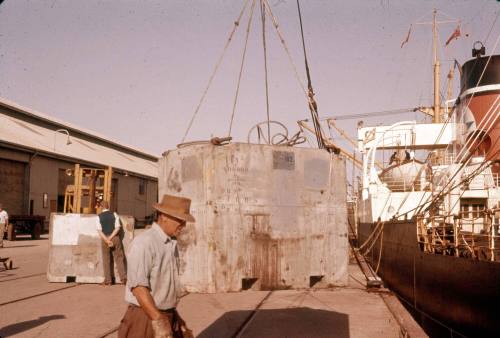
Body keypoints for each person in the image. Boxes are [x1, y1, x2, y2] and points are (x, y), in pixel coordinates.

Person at [118, 194, 195, 338]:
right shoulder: (145, 243)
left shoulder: (170, 244)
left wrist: (175, 316)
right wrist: (159, 320)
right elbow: (139, 288)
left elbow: (163, 290)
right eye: (180, 220)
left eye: (184, 221)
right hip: (145, 318)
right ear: (164, 216)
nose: (183, 225)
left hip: (163, 315)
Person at [97, 201, 127, 285]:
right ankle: (123, 279)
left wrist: (107, 239)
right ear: (108, 206)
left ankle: (108, 280)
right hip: (115, 238)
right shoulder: (114, 214)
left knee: (106, 259)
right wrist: (111, 237)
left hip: (104, 239)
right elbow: (118, 228)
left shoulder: (98, 217)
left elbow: (99, 231)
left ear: (101, 207)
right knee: (119, 258)